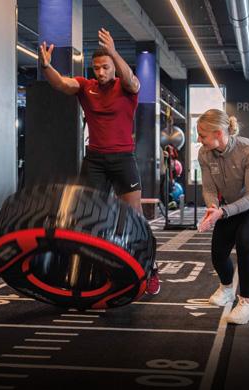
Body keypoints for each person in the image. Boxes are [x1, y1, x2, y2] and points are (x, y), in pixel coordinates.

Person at [38, 28, 161, 295]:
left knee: (135, 216)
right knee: (87, 217)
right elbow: (61, 83)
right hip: (94, 160)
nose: (101, 73)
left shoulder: (125, 88)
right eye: (97, 68)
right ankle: (92, 271)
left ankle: (151, 268)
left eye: (105, 67)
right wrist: (46, 67)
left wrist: (114, 51)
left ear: (113, 67)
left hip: (123, 160)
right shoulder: (86, 86)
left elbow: (134, 81)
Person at [196, 109, 249, 325]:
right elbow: (208, 188)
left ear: (218, 133)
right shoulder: (204, 153)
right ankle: (226, 289)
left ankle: (247, 305)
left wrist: (222, 212)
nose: (199, 139)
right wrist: (212, 207)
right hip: (232, 204)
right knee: (218, 251)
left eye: (202, 135)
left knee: (244, 240)